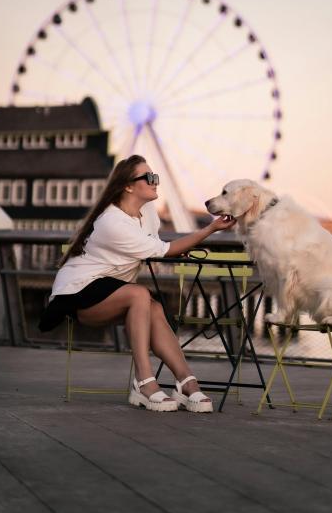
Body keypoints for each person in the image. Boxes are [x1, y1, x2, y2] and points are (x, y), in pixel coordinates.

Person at [38, 155, 236, 413]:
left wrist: (176, 249)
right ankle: (144, 382)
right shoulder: (112, 222)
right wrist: (209, 229)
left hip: (111, 289)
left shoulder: (148, 212)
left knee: (152, 307)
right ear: (128, 186)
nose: (155, 182)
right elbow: (163, 250)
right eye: (149, 178)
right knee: (140, 294)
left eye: (156, 177)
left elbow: (156, 247)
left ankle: (186, 382)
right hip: (77, 294)